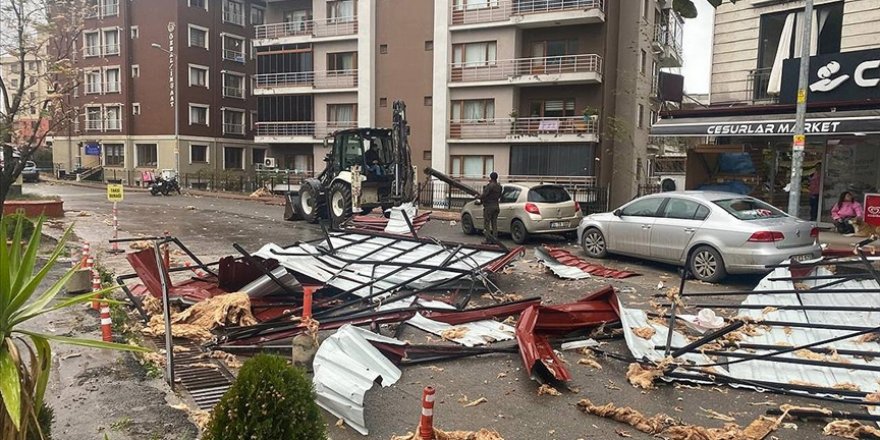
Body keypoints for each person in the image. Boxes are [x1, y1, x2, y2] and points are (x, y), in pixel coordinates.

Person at [479, 172, 502, 243]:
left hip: (489, 207)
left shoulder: (490, 186)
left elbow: (484, 195)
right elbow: (499, 196)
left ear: (490, 177)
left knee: (487, 223)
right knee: (494, 223)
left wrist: (478, 197)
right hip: (496, 206)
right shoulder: (499, 186)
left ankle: (488, 239)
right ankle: (495, 239)